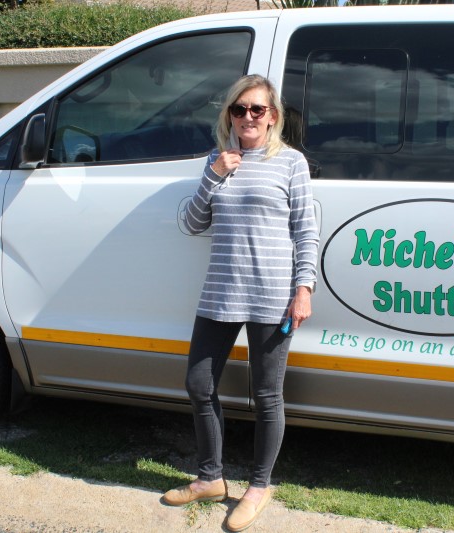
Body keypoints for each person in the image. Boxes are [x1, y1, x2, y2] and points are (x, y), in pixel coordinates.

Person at [162, 74, 319, 531]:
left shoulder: (290, 162)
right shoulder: (217, 161)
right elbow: (193, 223)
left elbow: (305, 230)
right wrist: (215, 175)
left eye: (257, 109)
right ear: (229, 115)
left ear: (272, 116)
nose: (247, 116)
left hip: (273, 294)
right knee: (198, 384)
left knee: (267, 395)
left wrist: (304, 289)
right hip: (221, 291)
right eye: (239, 108)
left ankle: (258, 486)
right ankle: (210, 478)